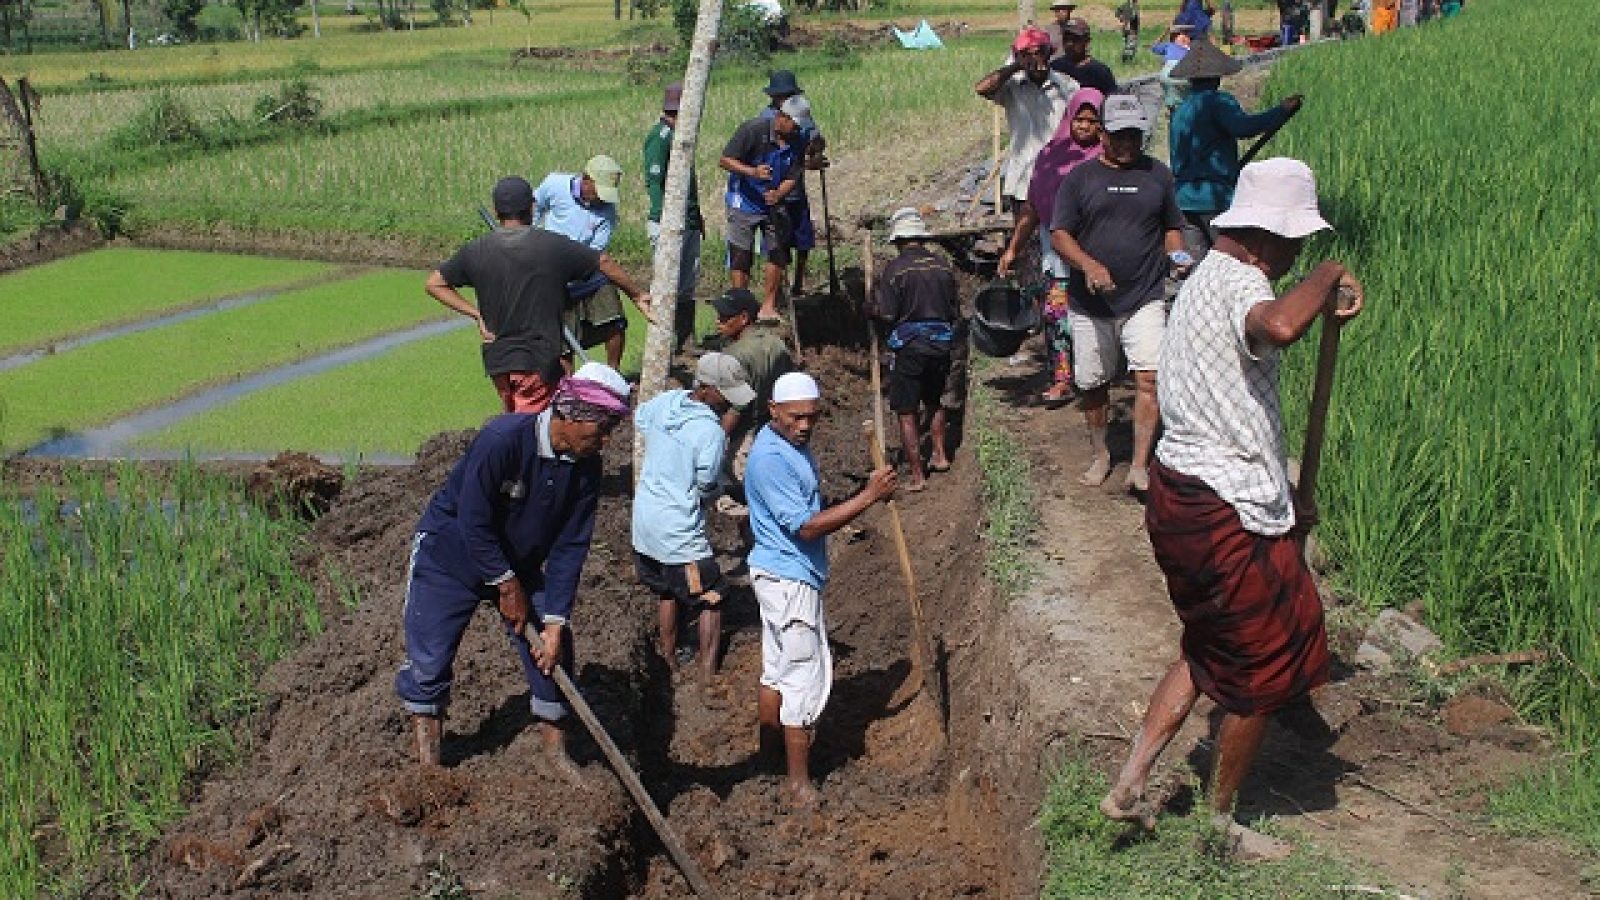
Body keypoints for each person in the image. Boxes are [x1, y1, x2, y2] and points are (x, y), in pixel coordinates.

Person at [1101, 158, 1364, 862]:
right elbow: (1279, 326)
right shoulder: (1246, 281)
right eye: (1298, 244)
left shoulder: (1200, 280)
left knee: (1204, 644)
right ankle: (1218, 824)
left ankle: (1127, 787)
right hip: (1224, 504)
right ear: (1266, 238)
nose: (1299, 255)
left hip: (1183, 490)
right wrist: (1330, 271)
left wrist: (1286, 496)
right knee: (1260, 668)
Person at [395, 363, 634, 779]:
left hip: (520, 561)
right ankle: (428, 765)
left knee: (551, 648)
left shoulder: (585, 466)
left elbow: (570, 545)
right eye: (603, 429)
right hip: (450, 554)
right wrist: (506, 584)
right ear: (574, 416)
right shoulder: (502, 440)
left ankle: (555, 752)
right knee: (430, 655)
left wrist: (556, 619)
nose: (607, 441)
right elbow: (473, 518)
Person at [746, 371, 898, 809]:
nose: (805, 425)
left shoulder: (788, 444)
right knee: (802, 678)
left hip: (780, 574)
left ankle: (769, 756)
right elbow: (808, 527)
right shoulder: (771, 459)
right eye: (795, 417)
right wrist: (868, 497)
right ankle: (797, 783)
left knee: (776, 668)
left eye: (812, 417)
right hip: (789, 580)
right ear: (773, 410)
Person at [1050, 94, 1187, 492]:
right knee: (1093, 382)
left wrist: (1178, 255)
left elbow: (1171, 226)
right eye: (1120, 136)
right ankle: (1101, 453)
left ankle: (1140, 464)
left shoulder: (1157, 175)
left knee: (1150, 378)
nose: (1128, 144)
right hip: (1090, 304)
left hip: (1144, 296)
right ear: (1103, 135)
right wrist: (1088, 265)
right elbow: (1060, 234)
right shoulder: (1080, 179)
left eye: (1134, 136)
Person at [426, 177, 651, 414]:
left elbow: (434, 284)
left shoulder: (475, 250)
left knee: (513, 418)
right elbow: (602, 261)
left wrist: (476, 315)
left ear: (496, 211)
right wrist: (636, 295)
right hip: (535, 361)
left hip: (498, 361)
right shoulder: (552, 246)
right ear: (532, 207)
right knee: (529, 427)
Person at [632, 352, 755, 681]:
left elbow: (641, 420)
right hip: (677, 529)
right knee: (713, 595)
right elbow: (706, 482)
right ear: (706, 389)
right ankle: (707, 673)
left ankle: (669, 660)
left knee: (668, 590)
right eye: (725, 394)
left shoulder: (666, 403)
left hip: (644, 521)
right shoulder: (711, 432)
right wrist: (721, 496)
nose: (730, 403)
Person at [998, 87, 1105, 403]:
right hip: (1057, 251)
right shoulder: (1051, 156)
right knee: (1057, 313)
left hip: (1098, 249)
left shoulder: (1109, 158)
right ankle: (1062, 377)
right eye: (1079, 119)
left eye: (1092, 120)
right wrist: (1013, 248)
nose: (1084, 126)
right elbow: (1033, 206)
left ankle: (1097, 376)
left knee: (1098, 315)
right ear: (1068, 118)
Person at [1169, 40, 1302, 259]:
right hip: (1215, 199)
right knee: (1233, 261)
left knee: (1195, 269)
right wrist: (1280, 112)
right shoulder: (1219, 102)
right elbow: (1244, 127)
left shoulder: (1181, 109)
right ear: (1218, 76)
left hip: (1184, 200)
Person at [868, 208, 960, 491]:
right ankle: (941, 455)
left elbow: (886, 313)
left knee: (907, 411)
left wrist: (869, 306)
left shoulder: (895, 270)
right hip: (941, 345)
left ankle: (918, 476)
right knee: (934, 401)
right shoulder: (943, 266)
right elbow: (954, 310)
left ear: (898, 240)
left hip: (909, 349)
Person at [533, 156, 654, 370]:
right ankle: (568, 386)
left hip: (587, 270)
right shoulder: (554, 185)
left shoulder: (607, 212)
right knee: (563, 342)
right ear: (586, 180)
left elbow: (598, 257)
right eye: (599, 192)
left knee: (615, 320)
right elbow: (534, 209)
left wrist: (635, 293)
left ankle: (613, 373)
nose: (601, 199)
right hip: (553, 272)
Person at [719, 95, 814, 322]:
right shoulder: (753, 130)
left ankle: (768, 306)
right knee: (741, 254)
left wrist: (779, 193)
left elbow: (795, 173)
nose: (795, 130)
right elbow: (725, 160)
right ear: (782, 118)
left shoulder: (797, 139)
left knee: (778, 251)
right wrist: (752, 172)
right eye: (793, 125)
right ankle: (741, 306)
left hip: (772, 201)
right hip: (744, 200)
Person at [974, 27, 1077, 221]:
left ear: (1049, 53)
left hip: (1059, 174)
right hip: (1023, 176)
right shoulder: (1013, 86)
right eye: (1027, 55)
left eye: (1039, 52)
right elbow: (981, 88)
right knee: (1024, 236)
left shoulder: (1067, 86)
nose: (1035, 59)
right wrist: (1015, 67)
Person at [643, 83, 706, 351]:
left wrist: (698, 214)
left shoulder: (682, 138)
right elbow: (654, 181)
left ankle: (686, 338)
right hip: (669, 222)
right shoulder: (660, 137)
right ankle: (664, 342)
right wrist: (665, 219)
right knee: (666, 282)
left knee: (688, 280)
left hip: (689, 219)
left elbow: (689, 183)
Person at [757, 71, 830, 297]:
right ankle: (779, 290)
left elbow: (814, 142)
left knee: (803, 237)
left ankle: (798, 283)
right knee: (778, 241)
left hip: (795, 185)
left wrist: (814, 153)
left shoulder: (801, 113)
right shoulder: (767, 118)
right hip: (774, 185)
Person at [1050, 18, 1119, 95]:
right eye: (1066, 39)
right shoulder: (1055, 67)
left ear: (1087, 42)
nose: (1069, 44)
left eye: (1075, 39)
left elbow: (1113, 100)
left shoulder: (1100, 72)